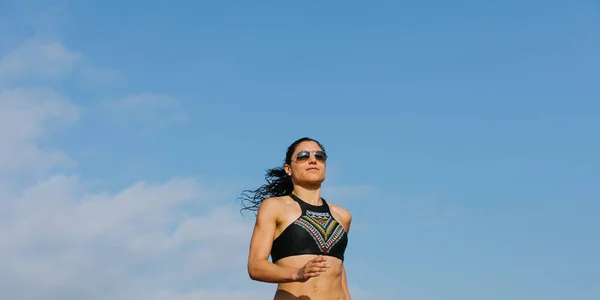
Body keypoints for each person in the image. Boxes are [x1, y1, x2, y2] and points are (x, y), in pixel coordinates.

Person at [239, 137, 352, 300]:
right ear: (288, 169)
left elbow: (338, 271)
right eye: (303, 156)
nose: (313, 160)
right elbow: (255, 266)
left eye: (319, 156)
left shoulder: (343, 216)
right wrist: (297, 273)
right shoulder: (274, 207)